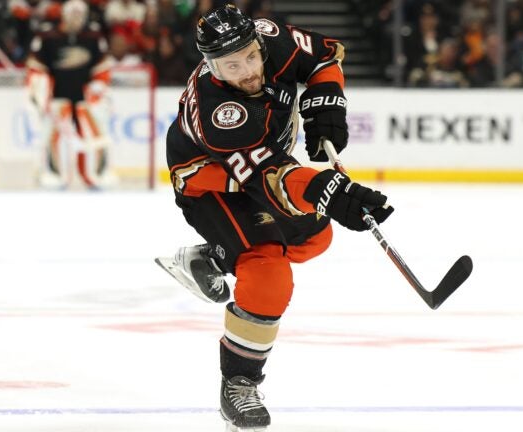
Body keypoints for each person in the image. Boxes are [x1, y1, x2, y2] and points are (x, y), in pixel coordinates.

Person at [163, 4, 393, 430]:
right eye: (233, 65)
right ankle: (239, 383)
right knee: (267, 271)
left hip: (264, 167)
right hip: (210, 182)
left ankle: (212, 257)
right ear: (211, 66)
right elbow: (272, 179)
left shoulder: (271, 37)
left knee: (316, 238)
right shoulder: (219, 113)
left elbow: (326, 55)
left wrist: (326, 106)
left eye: (251, 55)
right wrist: (330, 191)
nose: (249, 70)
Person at [25, 0, 116, 189]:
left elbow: (102, 68)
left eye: (80, 15)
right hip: (58, 98)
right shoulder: (48, 36)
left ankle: (95, 175)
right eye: (73, 15)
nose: (77, 19)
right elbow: (36, 67)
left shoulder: (92, 35)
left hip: (86, 100)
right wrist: (39, 86)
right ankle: (55, 175)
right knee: (53, 139)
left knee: (94, 136)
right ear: (64, 15)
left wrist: (98, 85)